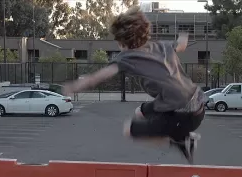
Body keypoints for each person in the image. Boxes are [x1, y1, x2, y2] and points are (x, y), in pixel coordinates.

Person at [62, 7, 206, 164]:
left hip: (184, 115)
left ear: (122, 42)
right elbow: (181, 45)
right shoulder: (161, 45)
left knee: (128, 130)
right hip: (197, 103)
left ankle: (182, 141)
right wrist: (184, 34)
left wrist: (74, 87)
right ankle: (179, 136)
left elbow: (97, 77)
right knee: (140, 112)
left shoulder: (126, 57)